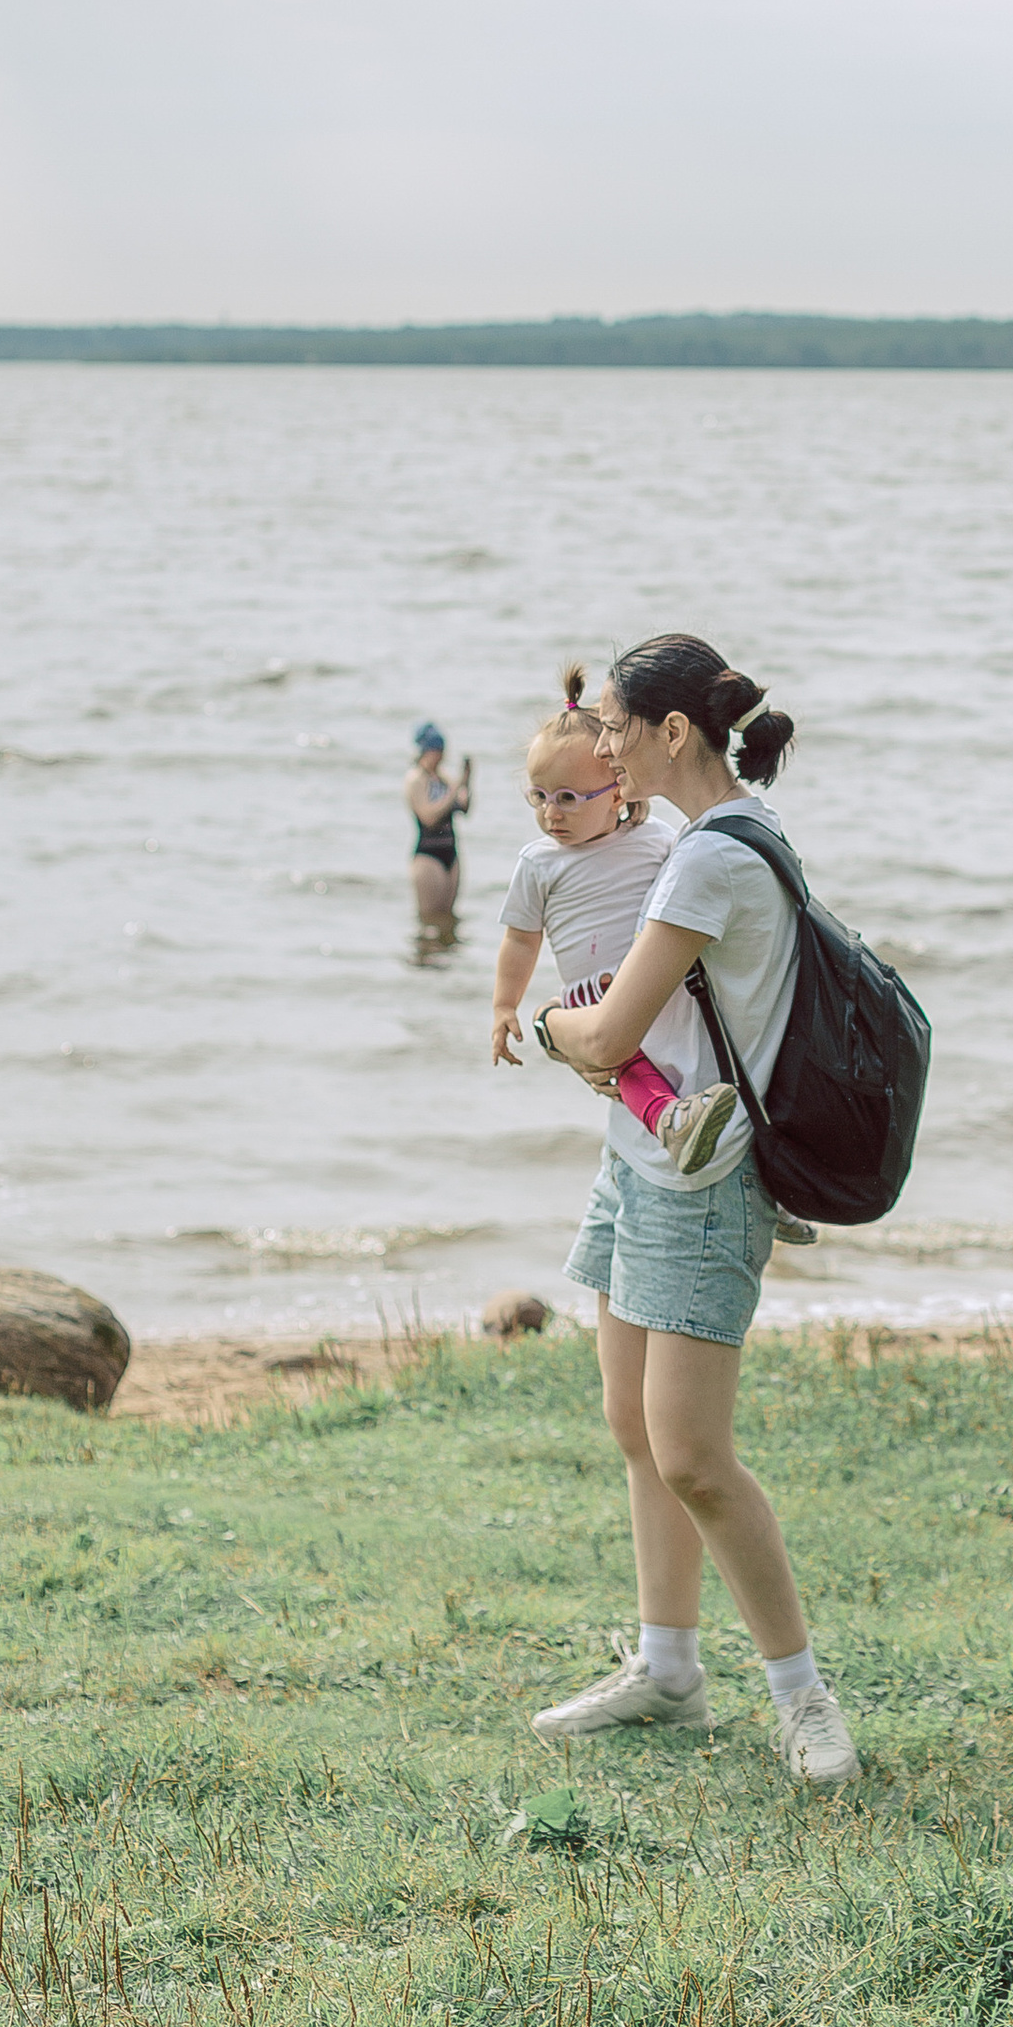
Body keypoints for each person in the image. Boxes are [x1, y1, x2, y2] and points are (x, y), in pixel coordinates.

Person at [525, 632, 858, 1789]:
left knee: (697, 1457)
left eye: (616, 726)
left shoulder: (711, 860)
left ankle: (803, 1699)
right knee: (635, 1425)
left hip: (702, 1185)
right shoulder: (703, 839)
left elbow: (609, 1034)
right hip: (641, 1161)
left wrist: (544, 1027)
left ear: (674, 734)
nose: (602, 744)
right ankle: (668, 1670)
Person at [490, 670, 736, 1174]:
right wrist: (504, 1005)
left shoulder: (657, 840)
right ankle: (667, 1119)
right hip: (591, 992)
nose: (550, 814)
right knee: (624, 1061)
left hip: (657, 982)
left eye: (568, 798)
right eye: (539, 796)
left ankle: (773, 1172)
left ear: (617, 793)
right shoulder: (539, 863)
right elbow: (520, 940)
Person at [405, 724, 473, 933]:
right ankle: (425, 961)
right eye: (436, 751)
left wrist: (467, 781)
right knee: (429, 920)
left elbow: (464, 807)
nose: (440, 757)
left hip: (450, 851)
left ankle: (447, 963)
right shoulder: (416, 779)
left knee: (449, 920)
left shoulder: (442, 778)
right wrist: (455, 788)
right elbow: (429, 817)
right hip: (428, 854)